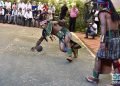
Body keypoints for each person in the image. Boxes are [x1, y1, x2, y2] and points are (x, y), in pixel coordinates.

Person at [86, 0, 120, 85]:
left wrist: (102, 41)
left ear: (100, 4)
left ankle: (95, 79)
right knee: (115, 60)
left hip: (108, 39)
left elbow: (103, 26)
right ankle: (117, 81)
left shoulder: (103, 12)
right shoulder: (114, 13)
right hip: (117, 38)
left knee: (99, 58)